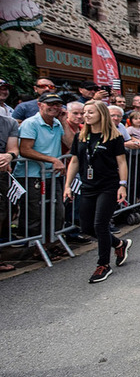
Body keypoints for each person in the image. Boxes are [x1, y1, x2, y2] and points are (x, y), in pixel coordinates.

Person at [64, 101, 130, 283]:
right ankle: (118, 243)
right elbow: (75, 162)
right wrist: (68, 185)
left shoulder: (114, 137)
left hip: (108, 186)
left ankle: (103, 265)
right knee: (86, 227)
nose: (85, 116)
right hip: (88, 187)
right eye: (84, 112)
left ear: (101, 114)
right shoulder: (80, 137)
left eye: (90, 112)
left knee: (100, 225)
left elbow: (122, 162)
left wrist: (122, 185)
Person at [14, 93, 75, 246]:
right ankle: (35, 247)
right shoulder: (31, 123)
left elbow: (72, 145)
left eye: (57, 104)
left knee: (56, 210)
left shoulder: (57, 123)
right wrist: (53, 159)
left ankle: (50, 243)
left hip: (51, 175)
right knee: (34, 212)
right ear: (40, 105)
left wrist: (64, 122)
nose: (54, 107)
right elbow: (25, 150)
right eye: (50, 104)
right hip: (31, 175)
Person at [0, 114, 20, 269]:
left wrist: (8, 156)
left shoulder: (9, 122)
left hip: (2, 175)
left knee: (2, 214)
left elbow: (13, 149)